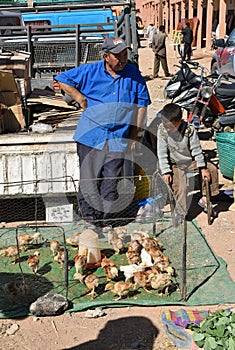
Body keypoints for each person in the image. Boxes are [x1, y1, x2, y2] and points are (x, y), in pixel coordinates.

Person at [54, 36, 151, 231]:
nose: (122, 59)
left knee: (111, 181)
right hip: (91, 137)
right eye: (118, 56)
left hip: (118, 138)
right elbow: (62, 79)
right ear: (106, 56)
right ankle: (89, 219)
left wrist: (133, 136)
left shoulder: (133, 74)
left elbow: (141, 106)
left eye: (125, 54)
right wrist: (79, 98)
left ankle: (105, 220)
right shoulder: (91, 71)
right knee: (89, 179)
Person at [157, 103, 219, 223]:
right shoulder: (162, 131)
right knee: (181, 185)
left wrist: (202, 168)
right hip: (174, 164)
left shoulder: (189, 130)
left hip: (190, 161)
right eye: (166, 126)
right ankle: (180, 212)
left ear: (180, 121)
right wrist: (166, 171)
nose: (168, 129)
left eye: (172, 126)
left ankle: (205, 199)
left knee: (211, 169)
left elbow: (197, 150)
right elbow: (162, 153)